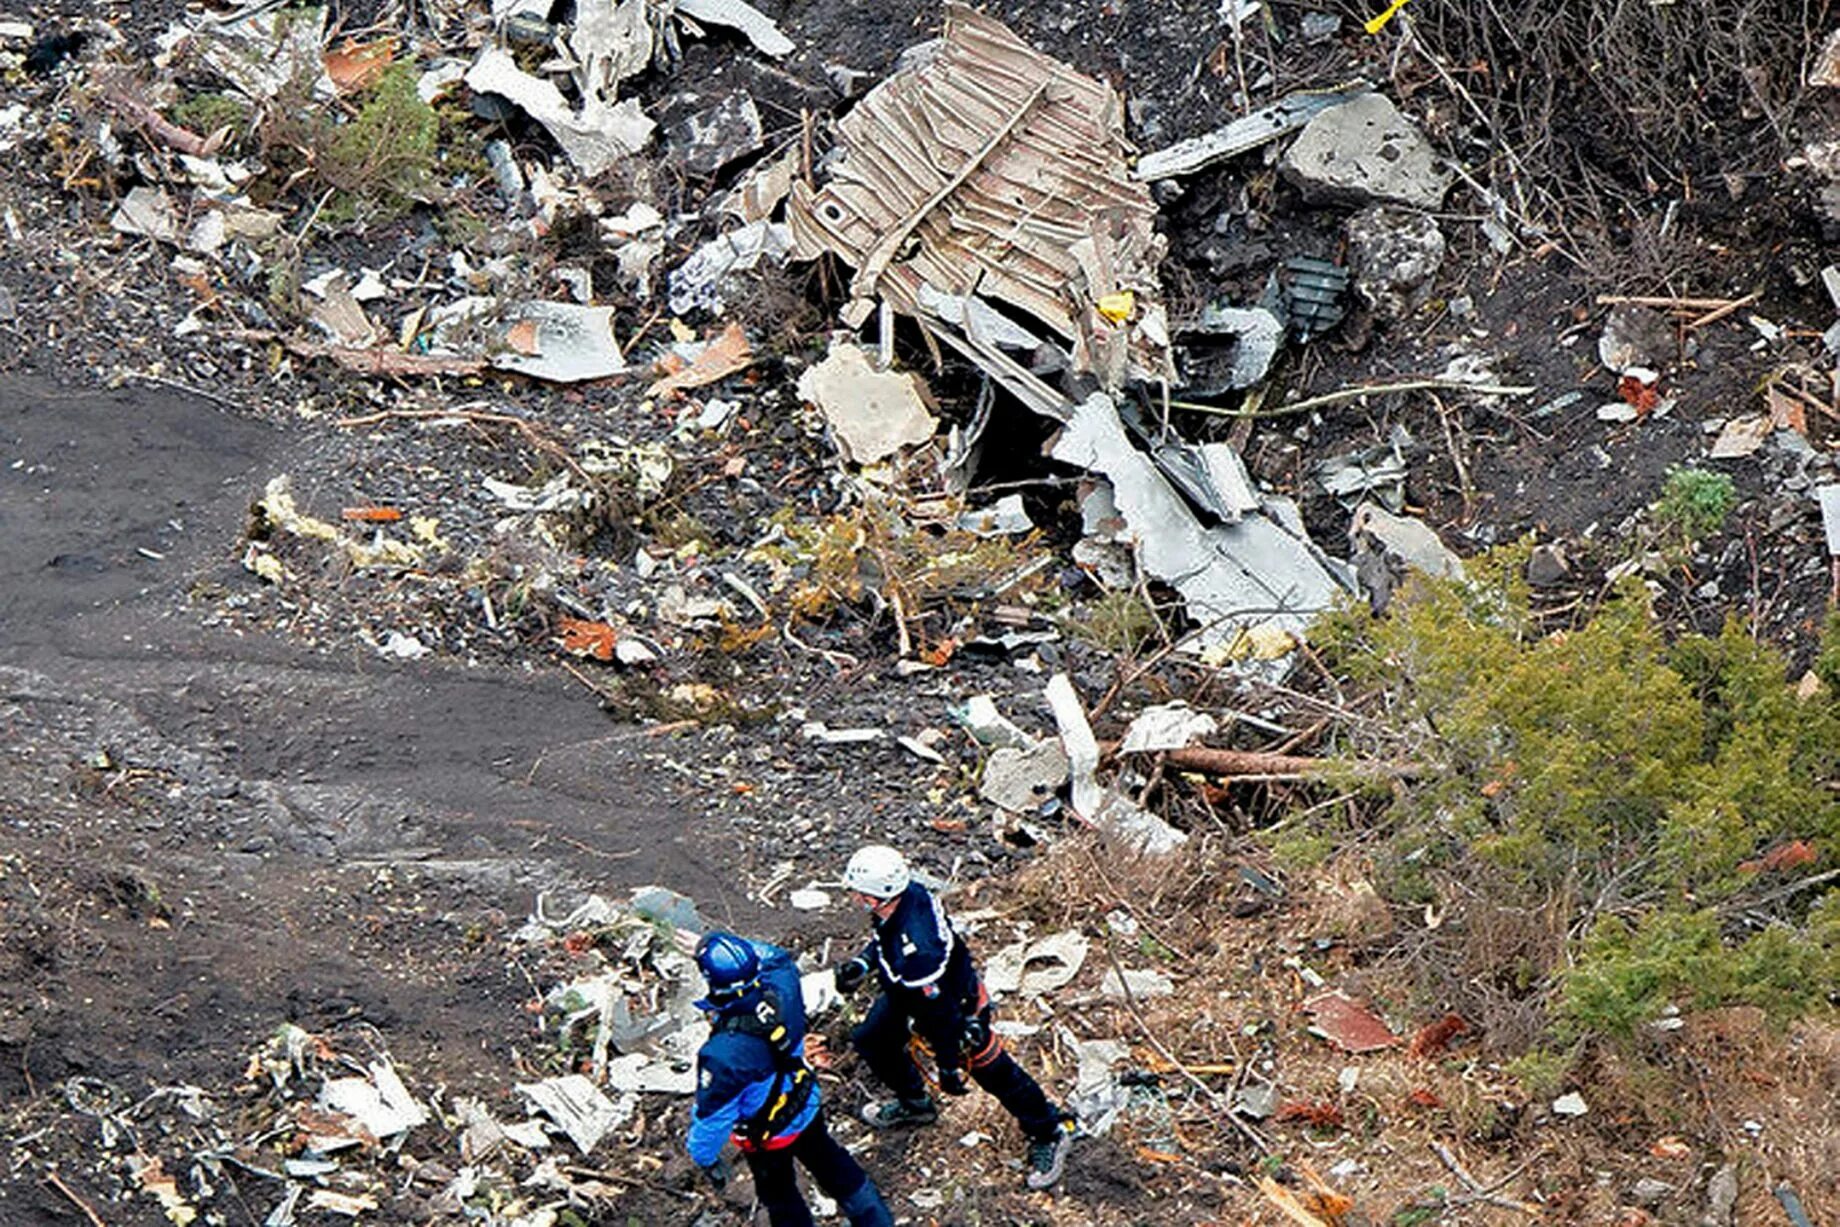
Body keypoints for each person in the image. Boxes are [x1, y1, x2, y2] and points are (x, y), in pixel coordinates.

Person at [834, 845, 1076, 1190]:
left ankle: (1048, 1131)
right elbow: (883, 939)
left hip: (951, 1009)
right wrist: (862, 963)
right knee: (871, 1040)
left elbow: (940, 1017)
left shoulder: (918, 951)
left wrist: (948, 1065)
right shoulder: (908, 897)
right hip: (907, 993)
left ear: (877, 897)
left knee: (996, 1073)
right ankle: (915, 1103)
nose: (855, 898)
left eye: (859, 893)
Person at [687, 931, 894, 1227]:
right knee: (831, 1161)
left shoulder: (723, 1055)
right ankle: (876, 1221)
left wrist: (705, 1159)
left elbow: (713, 1117)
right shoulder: (783, 984)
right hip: (804, 1100)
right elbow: (776, 956)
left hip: (767, 1136)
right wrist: (739, 949)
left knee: (780, 1195)